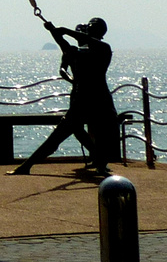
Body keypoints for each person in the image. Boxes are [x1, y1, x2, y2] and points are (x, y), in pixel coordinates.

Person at [10, 16, 118, 176]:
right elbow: (63, 44)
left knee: (100, 135)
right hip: (86, 101)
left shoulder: (103, 49)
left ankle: (100, 164)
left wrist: (64, 31)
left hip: (98, 102)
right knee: (58, 135)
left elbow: (77, 40)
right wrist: (53, 30)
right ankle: (27, 166)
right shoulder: (77, 52)